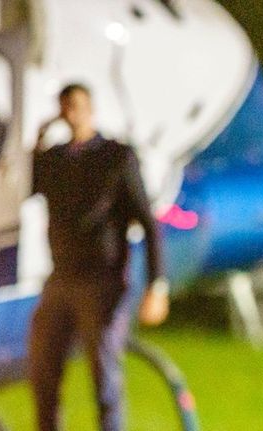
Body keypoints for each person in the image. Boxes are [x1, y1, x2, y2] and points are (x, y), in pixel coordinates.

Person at [29, 83, 170, 431]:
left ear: (90, 109)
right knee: (43, 369)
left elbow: (149, 224)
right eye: (65, 107)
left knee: (104, 378)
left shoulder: (115, 157)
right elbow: (27, 185)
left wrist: (157, 285)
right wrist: (39, 138)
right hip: (61, 277)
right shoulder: (56, 160)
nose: (70, 114)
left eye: (76, 106)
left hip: (103, 280)